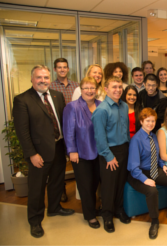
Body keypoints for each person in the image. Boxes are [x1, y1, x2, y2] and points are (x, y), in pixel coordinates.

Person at [13, 65, 74, 238]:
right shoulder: (22, 100)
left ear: (50, 78)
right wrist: (31, 153)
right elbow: (22, 131)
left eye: (46, 77)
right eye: (39, 77)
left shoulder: (57, 95)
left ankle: (54, 208)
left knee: (56, 181)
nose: (43, 81)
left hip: (58, 147)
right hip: (38, 153)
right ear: (32, 79)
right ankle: (35, 220)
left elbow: (63, 122)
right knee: (37, 188)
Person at [92, 77, 131, 233]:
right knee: (109, 186)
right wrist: (109, 156)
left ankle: (119, 209)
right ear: (106, 89)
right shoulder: (101, 110)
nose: (118, 90)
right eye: (114, 87)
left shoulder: (124, 106)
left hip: (124, 149)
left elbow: (126, 130)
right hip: (109, 152)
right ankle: (107, 215)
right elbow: (99, 137)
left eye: (120, 87)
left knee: (121, 182)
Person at [127, 108, 167, 239]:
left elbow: (156, 156)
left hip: (153, 169)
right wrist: (145, 179)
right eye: (147, 121)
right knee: (152, 191)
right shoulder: (136, 140)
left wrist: (163, 166)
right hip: (137, 173)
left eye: (153, 121)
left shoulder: (153, 136)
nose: (150, 123)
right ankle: (154, 222)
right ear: (141, 121)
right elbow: (133, 167)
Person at [63, 76, 101, 229]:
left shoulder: (101, 105)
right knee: (85, 185)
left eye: (92, 88)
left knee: (94, 184)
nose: (89, 91)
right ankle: (90, 216)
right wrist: (72, 150)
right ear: (80, 89)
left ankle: (93, 208)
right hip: (81, 153)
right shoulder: (72, 107)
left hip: (100, 152)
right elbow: (68, 131)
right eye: (86, 88)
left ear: (97, 90)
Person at [50, 57, 79, 203]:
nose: (62, 69)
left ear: (68, 69)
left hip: (76, 129)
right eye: (59, 67)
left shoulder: (76, 86)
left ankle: (81, 191)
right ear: (55, 69)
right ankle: (61, 190)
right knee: (60, 163)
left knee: (77, 160)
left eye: (65, 67)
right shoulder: (50, 87)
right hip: (59, 129)